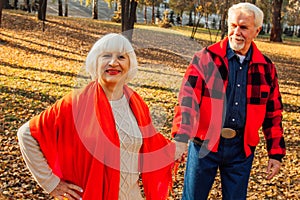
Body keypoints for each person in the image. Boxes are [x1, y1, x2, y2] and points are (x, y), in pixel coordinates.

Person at [18, 33, 175, 200]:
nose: (113, 62)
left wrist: (175, 149)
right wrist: (51, 183)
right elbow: (26, 134)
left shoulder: (136, 103)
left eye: (121, 57)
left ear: (130, 64)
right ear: (95, 62)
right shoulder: (77, 102)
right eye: (106, 56)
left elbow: (151, 143)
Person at [172, 3, 286, 200]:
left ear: (257, 31)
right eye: (233, 26)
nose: (236, 32)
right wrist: (181, 138)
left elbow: (273, 114)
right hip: (204, 145)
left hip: (241, 149)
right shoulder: (205, 59)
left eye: (243, 27)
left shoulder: (266, 68)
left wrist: (275, 153)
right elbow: (187, 100)